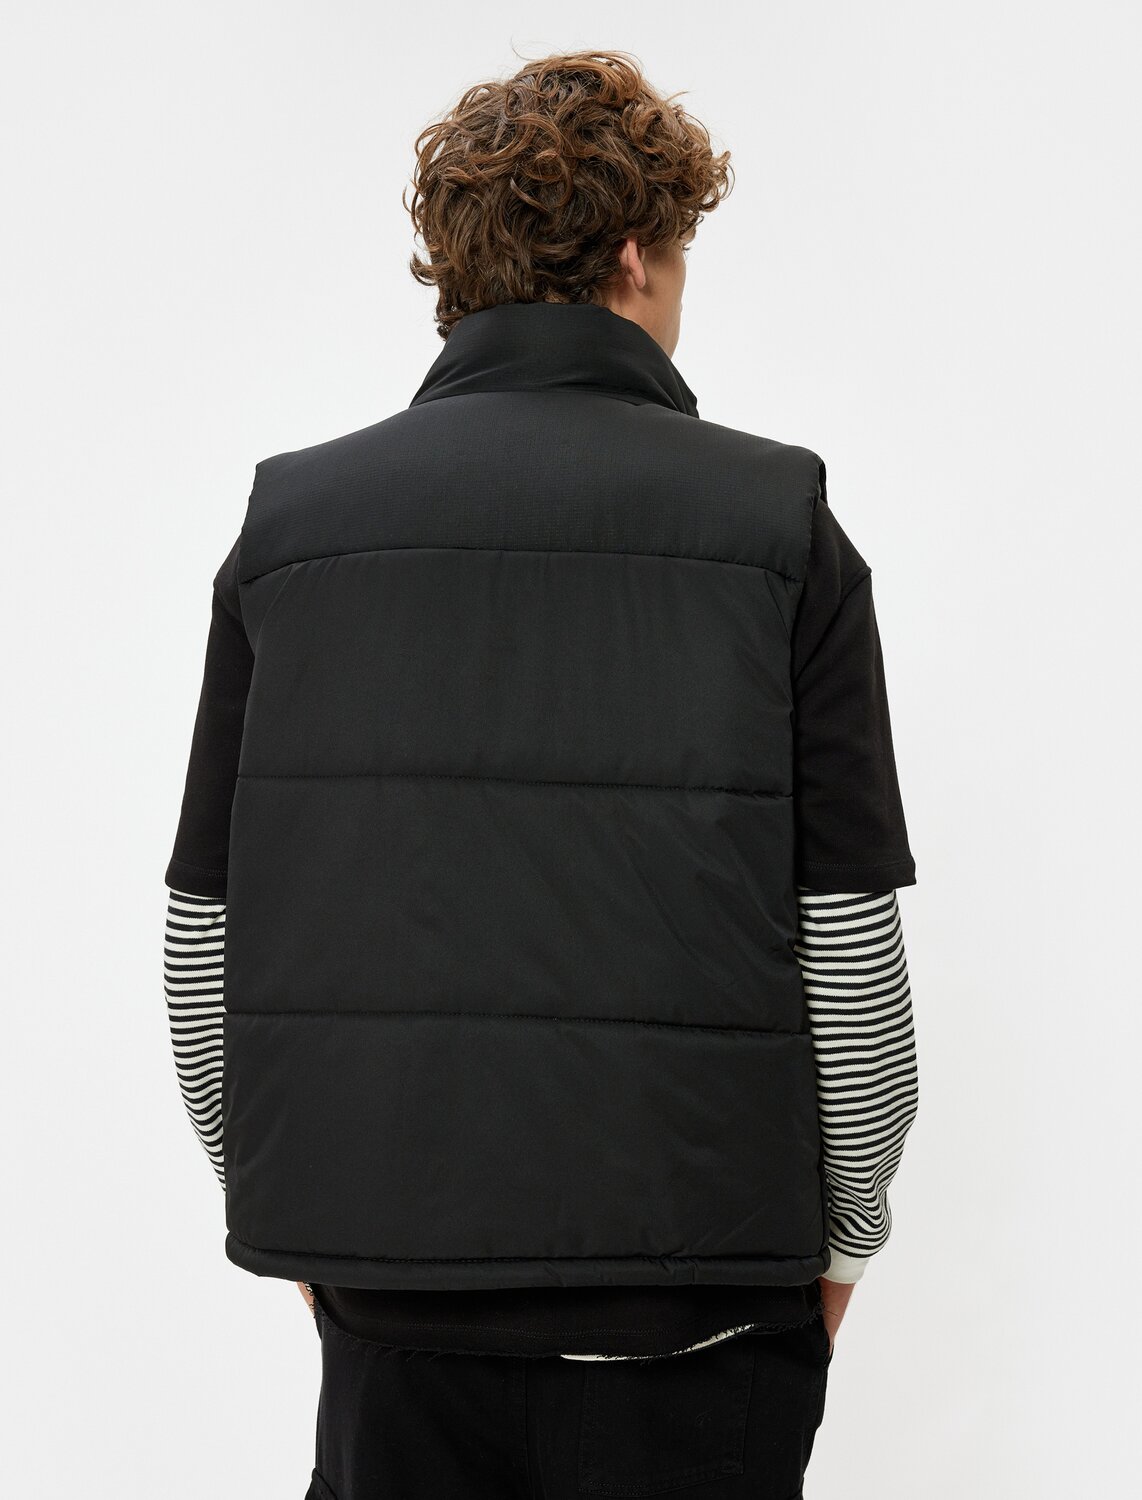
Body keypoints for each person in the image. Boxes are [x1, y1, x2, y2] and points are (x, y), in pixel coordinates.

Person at [163, 49, 919, 1498]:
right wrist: (841, 1244)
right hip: (702, 1328)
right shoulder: (778, 523)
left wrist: (312, 1225)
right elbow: (846, 949)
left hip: (395, 1326)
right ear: (636, 255)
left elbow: (205, 937)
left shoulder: (294, 527)